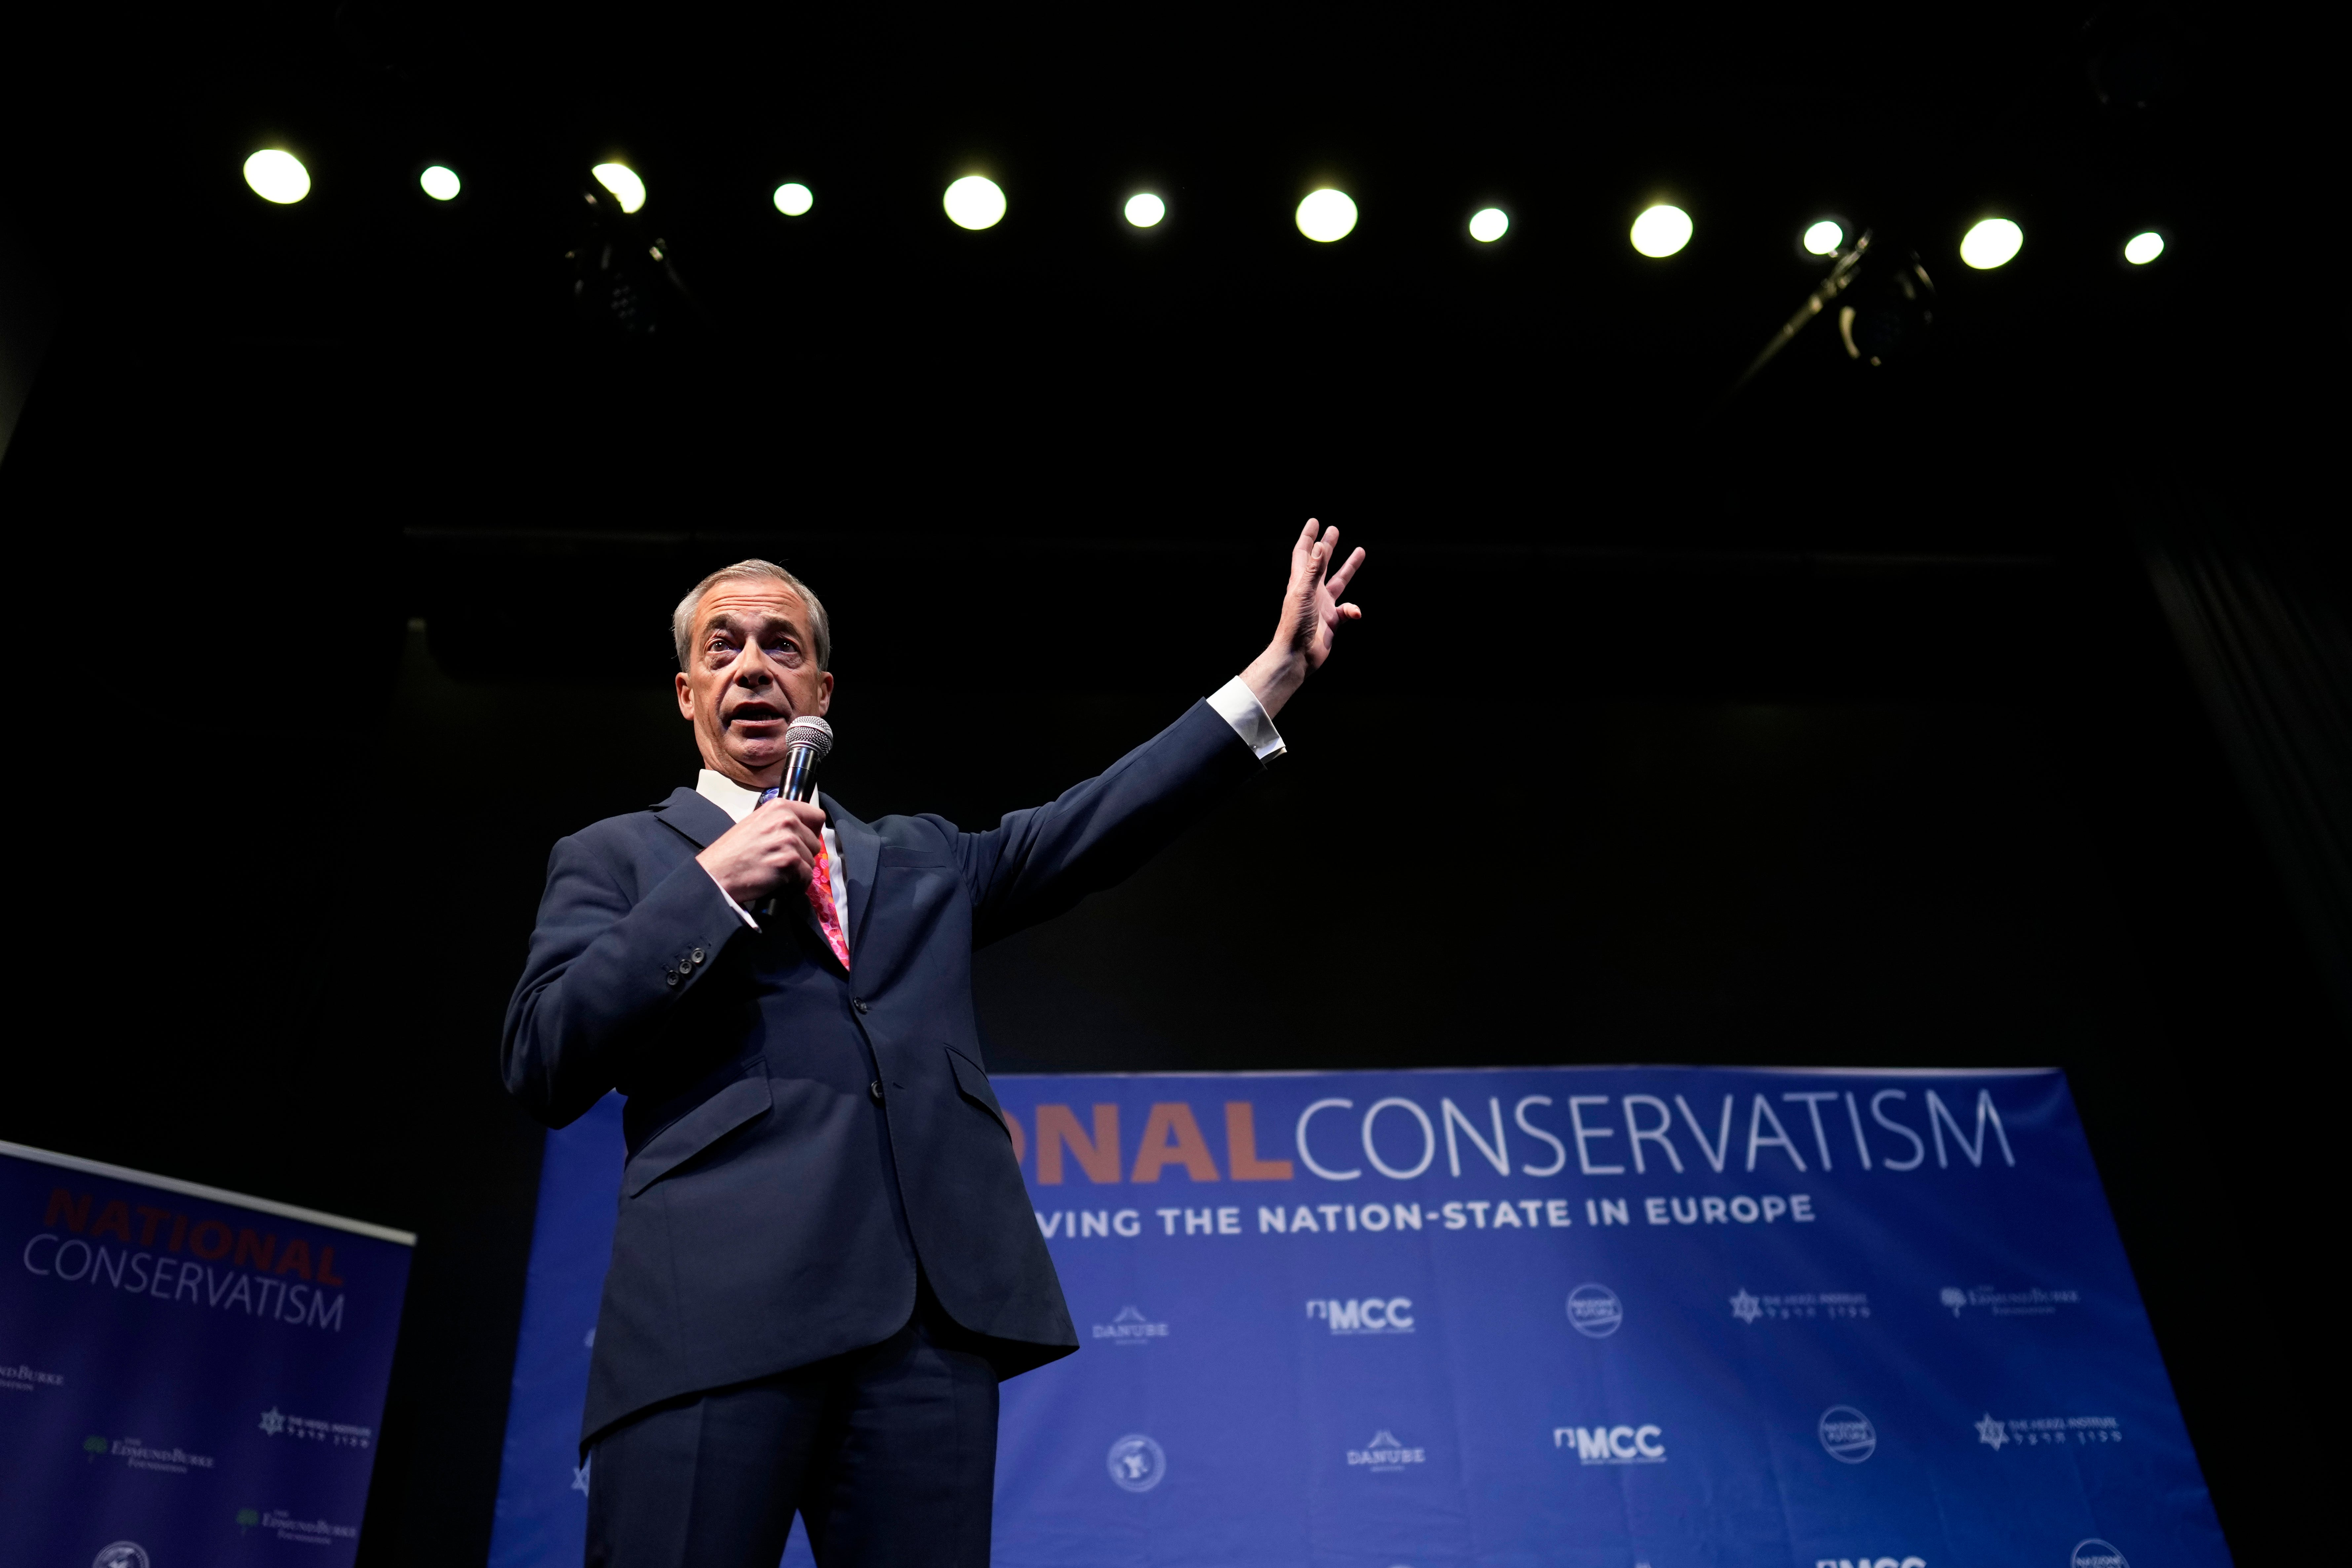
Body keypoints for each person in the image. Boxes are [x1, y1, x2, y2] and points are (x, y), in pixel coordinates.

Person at [502, 521, 1365, 1567]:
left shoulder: (916, 857)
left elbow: (1093, 825)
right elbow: (544, 1055)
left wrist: (1268, 681)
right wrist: (711, 887)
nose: (751, 666)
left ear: (822, 691)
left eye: (781, 645)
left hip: (923, 1335)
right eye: (720, 647)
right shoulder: (617, 858)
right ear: (687, 695)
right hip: (709, 1324)